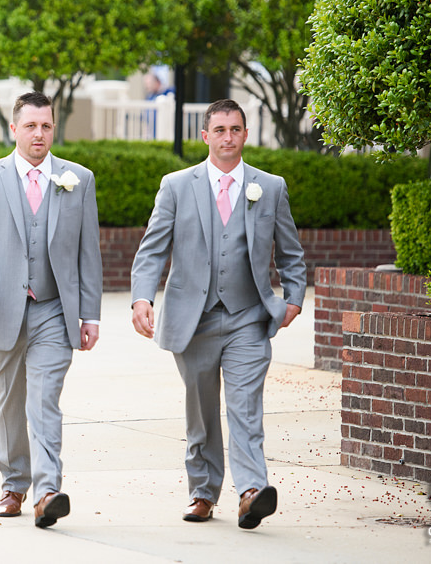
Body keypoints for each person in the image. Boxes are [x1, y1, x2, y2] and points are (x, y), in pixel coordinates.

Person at [130, 98, 305, 529]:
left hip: (249, 317)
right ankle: (203, 493)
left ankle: (250, 492)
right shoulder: (175, 185)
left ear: (246, 134)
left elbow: (290, 251)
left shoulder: (271, 186)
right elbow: (152, 249)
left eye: (236, 129)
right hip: (193, 321)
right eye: (220, 130)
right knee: (202, 412)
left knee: (245, 407)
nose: (228, 137)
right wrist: (141, 297)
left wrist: (294, 298)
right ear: (205, 136)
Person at [0, 91, 103, 529]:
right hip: (2, 307)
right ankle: (13, 483)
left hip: (55, 310)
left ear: (54, 129)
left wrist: (89, 315)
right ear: (14, 128)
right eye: (31, 125)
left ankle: (47, 490)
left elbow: (87, 253)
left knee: (44, 398)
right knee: (9, 401)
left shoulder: (79, 179)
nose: (39, 133)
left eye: (46, 126)